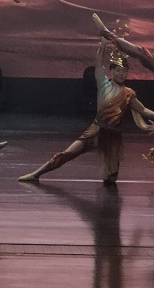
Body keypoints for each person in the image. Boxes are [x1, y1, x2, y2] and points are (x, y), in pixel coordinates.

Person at [19, 32, 154, 184]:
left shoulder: (129, 93)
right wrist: (102, 46)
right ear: (111, 71)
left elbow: (143, 110)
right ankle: (36, 174)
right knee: (67, 154)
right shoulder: (104, 84)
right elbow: (99, 65)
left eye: (124, 71)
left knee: (111, 179)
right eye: (118, 70)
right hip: (96, 130)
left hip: (113, 136)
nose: (121, 74)